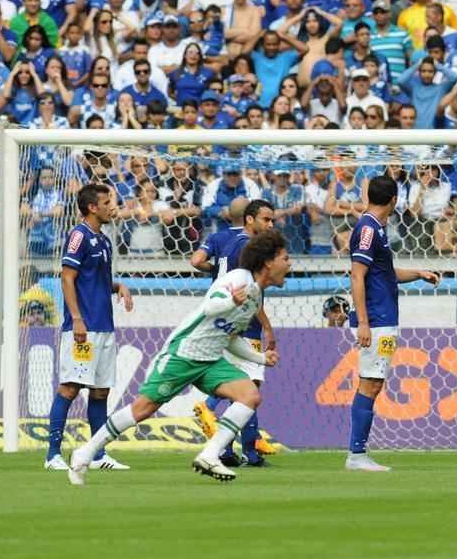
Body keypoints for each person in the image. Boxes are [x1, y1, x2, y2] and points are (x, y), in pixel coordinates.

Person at [67, 230, 289, 486]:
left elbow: (230, 337)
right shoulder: (238, 278)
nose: (289, 263)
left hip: (211, 361)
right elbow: (210, 306)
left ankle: (209, 454)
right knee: (143, 409)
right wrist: (231, 300)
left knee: (250, 395)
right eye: (285, 257)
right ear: (268, 262)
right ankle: (85, 452)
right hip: (184, 353)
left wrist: (260, 359)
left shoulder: (255, 298)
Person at [346, 175, 441, 472]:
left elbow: (384, 273)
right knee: (370, 383)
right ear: (394, 200)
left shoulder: (376, 229)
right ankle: (357, 455)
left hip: (382, 316)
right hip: (376, 319)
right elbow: (356, 275)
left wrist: (418, 273)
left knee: (372, 382)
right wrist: (363, 322)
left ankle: (357, 454)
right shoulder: (367, 229)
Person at [44, 184, 134, 472]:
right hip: (83, 327)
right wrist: (77, 318)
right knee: (70, 388)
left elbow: (98, 282)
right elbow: (67, 278)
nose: (112, 206)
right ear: (93, 207)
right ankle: (52, 455)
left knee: (100, 392)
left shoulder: (104, 240)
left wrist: (119, 286)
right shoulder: (78, 235)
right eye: (107, 202)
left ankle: (97, 454)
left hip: (104, 325)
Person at [190, 198, 277, 467]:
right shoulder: (249, 248)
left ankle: (233, 451)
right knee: (249, 388)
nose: (271, 225)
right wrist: (266, 325)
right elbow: (249, 292)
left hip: (226, 321)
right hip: (241, 322)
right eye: (267, 219)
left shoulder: (226, 242)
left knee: (244, 387)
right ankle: (209, 406)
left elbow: (198, 261)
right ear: (249, 219)